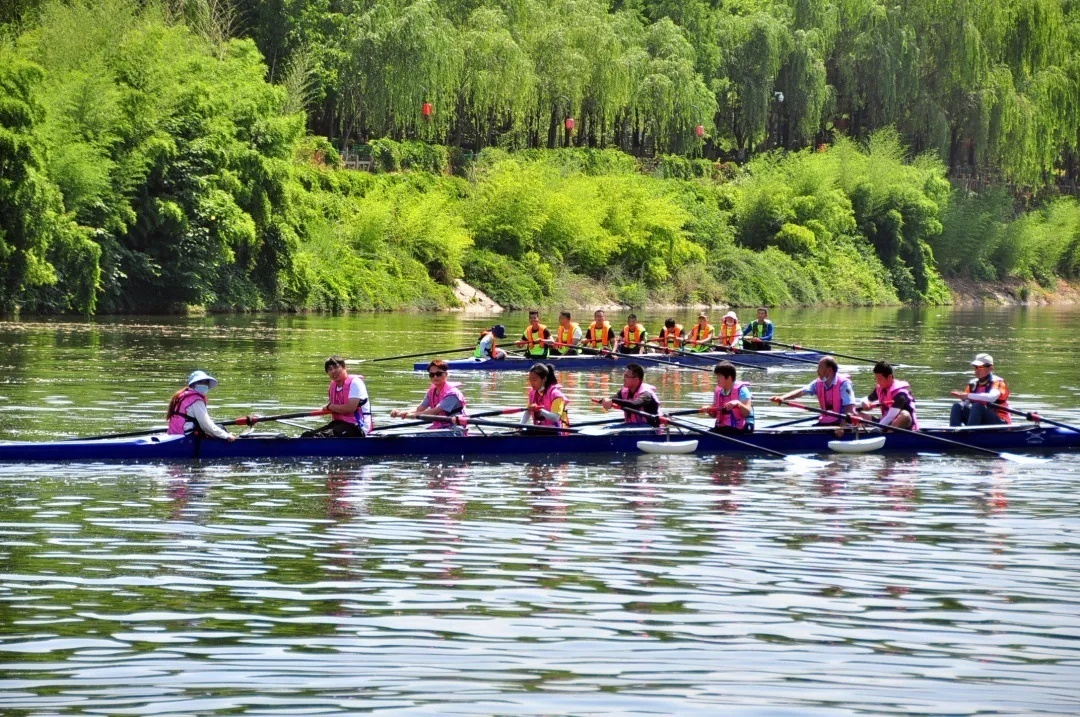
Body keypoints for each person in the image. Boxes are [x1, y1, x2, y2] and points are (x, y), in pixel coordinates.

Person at [770, 356, 855, 435]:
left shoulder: (844, 384)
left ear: (829, 370)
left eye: (820, 368)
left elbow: (849, 408)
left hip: (842, 424)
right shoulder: (818, 383)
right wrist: (783, 398)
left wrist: (842, 427)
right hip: (826, 423)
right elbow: (801, 391)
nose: (817, 371)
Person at [390, 359, 469, 433]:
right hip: (440, 428)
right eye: (432, 374)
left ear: (446, 374)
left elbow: (433, 412)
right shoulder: (432, 391)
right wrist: (402, 413)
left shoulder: (452, 393)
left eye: (438, 374)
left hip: (456, 430)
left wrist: (410, 416)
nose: (435, 377)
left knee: (415, 438)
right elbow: (419, 408)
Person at [302, 356, 372, 438]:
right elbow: (335, 409)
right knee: (307, 435)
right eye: (330, 369)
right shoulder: (333, 386)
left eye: (336, 367)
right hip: (339, 424)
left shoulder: (355, 383)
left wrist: (330, 407)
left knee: (317, 437)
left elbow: (350, 408)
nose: (333, 371)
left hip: (357, 427)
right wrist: (328, 408)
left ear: (344, 368)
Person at [166, 370, 236, 442]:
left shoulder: (180, 396)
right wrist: (226, 435)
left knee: (218, 427)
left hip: (173, 434)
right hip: (186, 438)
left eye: (206, 382)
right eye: (201, 382)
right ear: (193, 384)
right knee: (221, 428)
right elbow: (206, 425)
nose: (204, 384)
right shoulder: (196, 400)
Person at [950, 353, 1011, 426]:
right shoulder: (973, 384)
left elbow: (991, 397)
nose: (977, 370)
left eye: (981, 367)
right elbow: (965, 404)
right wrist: (963, 399)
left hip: (1000, 422)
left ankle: (971, 432)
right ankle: (954, 431)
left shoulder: (998, 382)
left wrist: (968, 395)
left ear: (990, 368)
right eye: (975, 367)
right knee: (957, 406)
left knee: (977, 406)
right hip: (980, 419)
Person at [858, 360, 918, 429]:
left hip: (904, 428)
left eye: (880, 379)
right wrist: (864, 402)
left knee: (905, 415)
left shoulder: (900, 394)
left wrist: (877, 429)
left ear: (889, 377)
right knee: (854, 414)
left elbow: (890, 416)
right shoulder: (880, 388)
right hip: (884, 424)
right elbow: (866, 399)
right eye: (876, 379)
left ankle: (883, 433)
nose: (878, 382)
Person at [704, 361, 754, 434]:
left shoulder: (742, 390)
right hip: (721, 428)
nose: (717, 379)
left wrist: (738, 403)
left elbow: (747, 413)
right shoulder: (718, 391)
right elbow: (714, 415)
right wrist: (709, 410)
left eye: (719, 376)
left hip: (738, 429)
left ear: (729, 378)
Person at [522, 363, 570, 431]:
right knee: (519, 433)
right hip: (540, 429)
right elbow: (528, 411)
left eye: (534, 380)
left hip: (557, 431)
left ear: (544, 379)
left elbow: (555, 417)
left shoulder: (556, 394)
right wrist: (520, 425)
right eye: (530, 380)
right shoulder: (532, 393)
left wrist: (540, 411)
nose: (531, 383)